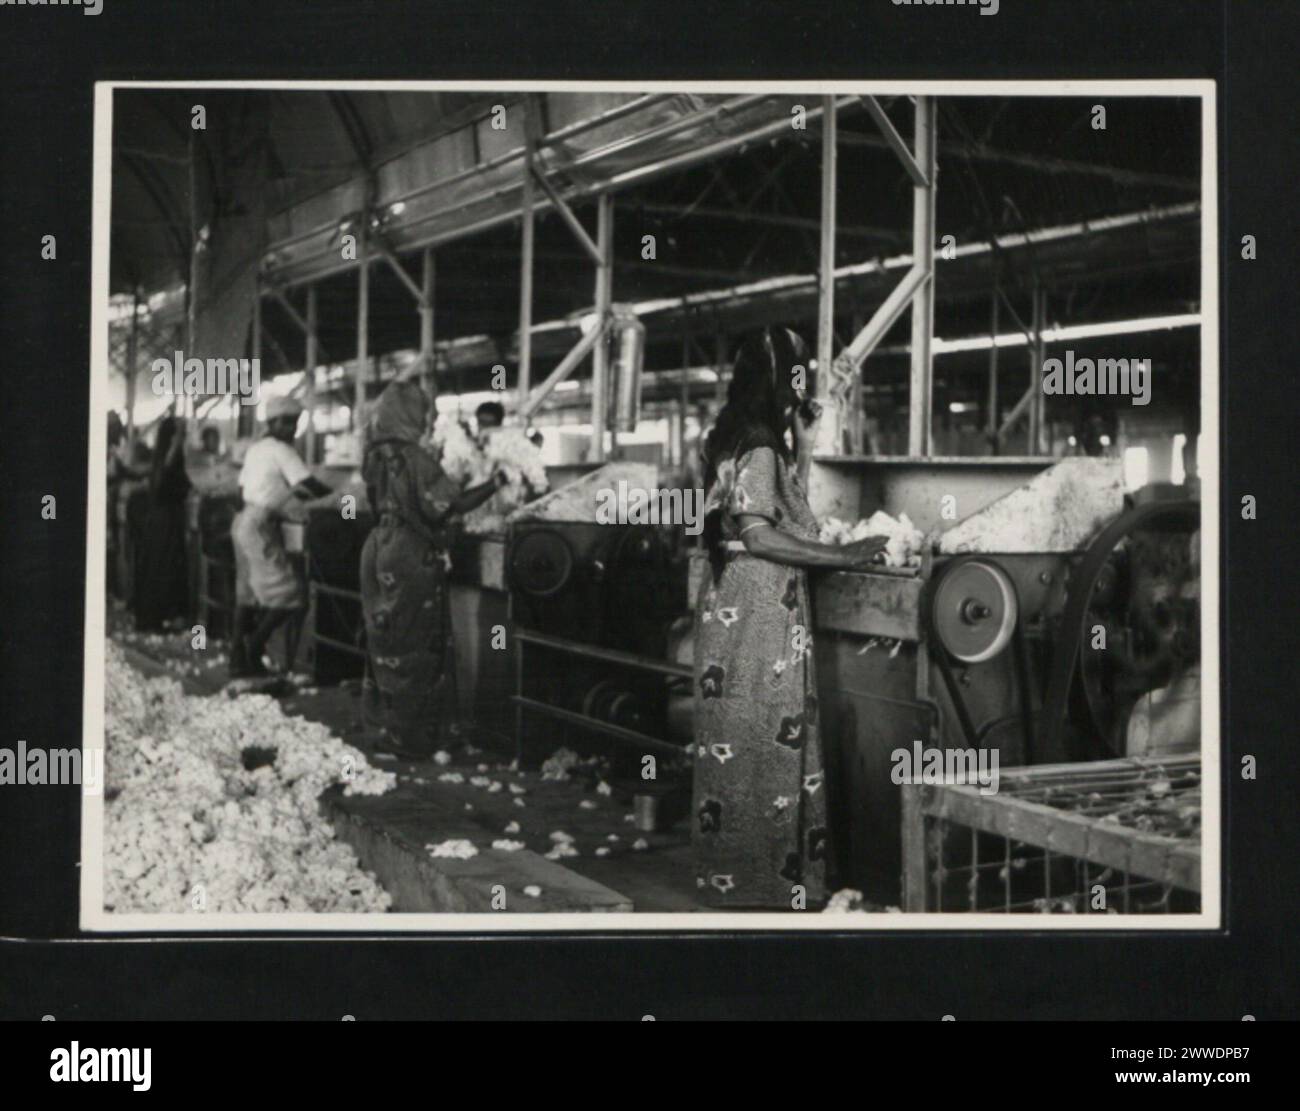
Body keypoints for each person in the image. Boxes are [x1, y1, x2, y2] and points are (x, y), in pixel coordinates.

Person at [693, 326, 888, 909]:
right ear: (779, 378)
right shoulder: (757, 445)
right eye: (798, 370)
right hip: (758, 612)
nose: (804, 380)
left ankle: (735, 877)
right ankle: (766, 884)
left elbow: (774, 511)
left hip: (736, 607)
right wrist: (842, 554)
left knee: (741, 738)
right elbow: (760, 533)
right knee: (766, 743)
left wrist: (803, 447)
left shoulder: (731, 438)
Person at [361, 379, 505, 757]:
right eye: (425, 415)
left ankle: (389, 731)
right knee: (419, 642)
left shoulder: (374, 454)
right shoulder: (415, 457)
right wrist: (498, 481)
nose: (428, 422)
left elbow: (382, 501)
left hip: (379, 547)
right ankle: (416, 739)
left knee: (388, 638)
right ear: (410, 416)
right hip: (409, 554)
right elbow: (452, 504)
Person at [230, 396, 332, 678]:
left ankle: (237, 659)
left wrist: (277, 500)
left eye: (295, 423)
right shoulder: (282, 450)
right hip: (259, 527)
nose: (292, 429)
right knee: (291, 596)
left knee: (247, 596)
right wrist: (339, 495)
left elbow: (241, 494)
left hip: (241, 523)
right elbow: (308, 484)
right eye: (286, 423)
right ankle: (254, 648)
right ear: (272, 423)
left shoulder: (256, 449)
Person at [131, 415, 193, 632]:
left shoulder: (164, 458)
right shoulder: (168, 458)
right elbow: (164, 480)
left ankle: (157, 618)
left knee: (159, 568)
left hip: (163, 519)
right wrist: (177, 443)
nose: (185, 435)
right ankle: (155, 618)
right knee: (161, 567)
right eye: (181, 432)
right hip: (165, 521)